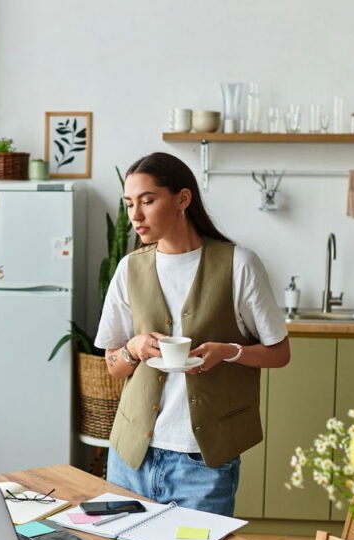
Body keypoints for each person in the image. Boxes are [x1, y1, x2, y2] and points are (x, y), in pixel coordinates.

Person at [94, 151, 290, 516]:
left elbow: (279, 353)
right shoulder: (129, 269)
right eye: (129, 204)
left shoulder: (238, 264)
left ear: (183, 199)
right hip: (130, 456)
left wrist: (229, 352)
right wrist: (133, 349)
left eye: (148, 201)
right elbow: (113, 364)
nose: (135, 215)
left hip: (203, 461)